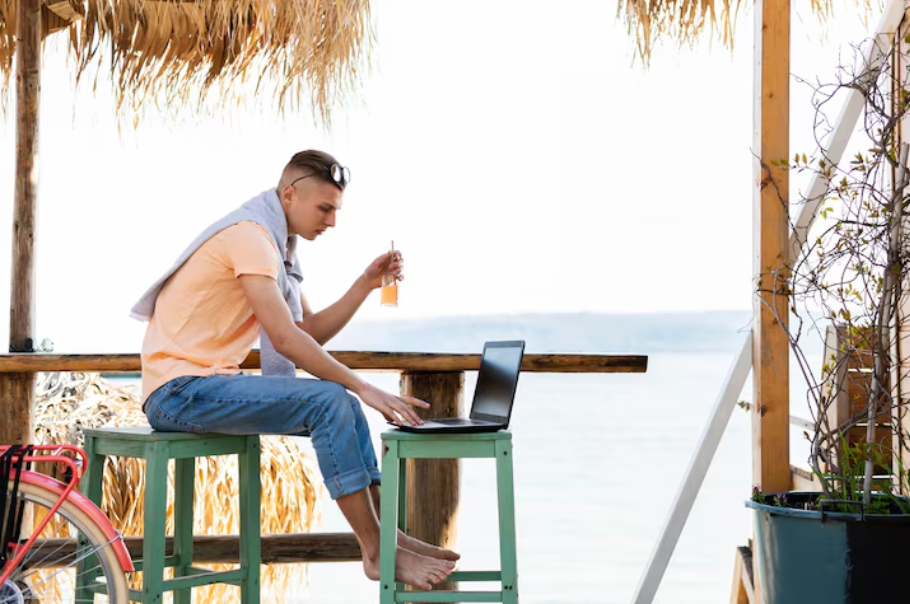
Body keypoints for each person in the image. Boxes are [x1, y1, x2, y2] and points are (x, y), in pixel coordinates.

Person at [131, 150, 458, 589]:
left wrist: (365, 283)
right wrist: (365, 386)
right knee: (332, 401)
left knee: (339, 402)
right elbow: (286, 340)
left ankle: (388, 538)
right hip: (178, 392)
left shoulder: (278, 248)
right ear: (289, 193)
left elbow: (307, 331)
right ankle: (376, 552)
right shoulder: (250, 238)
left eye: (336, 210)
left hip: (203, 386)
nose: (332, 221)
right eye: (325, 208)